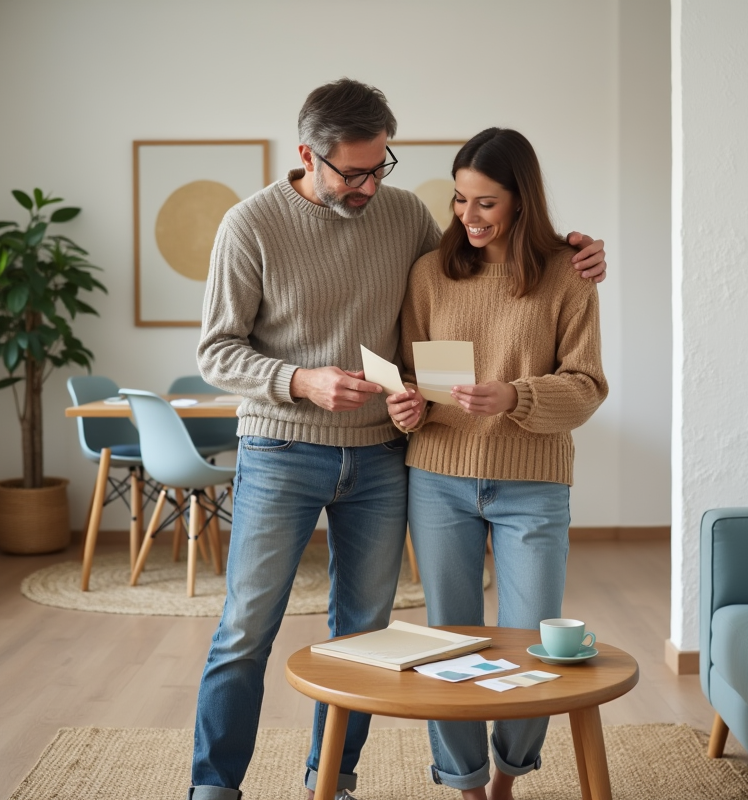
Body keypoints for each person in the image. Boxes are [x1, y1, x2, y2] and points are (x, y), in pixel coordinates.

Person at [193, 79, 607, 800]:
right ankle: (214, 787)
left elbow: (479, 256)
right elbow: (217, 352)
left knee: (364, 635)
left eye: (378, 167)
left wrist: (573, 246)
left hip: (384, 458)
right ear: (307, 155)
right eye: (351, 172)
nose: (366, 187)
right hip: (283, 450)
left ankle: (335, 779)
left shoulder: (404, 215)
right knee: (245, 629)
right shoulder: (249, 225)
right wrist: (302, 382)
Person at [386, 127, 608, 800]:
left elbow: (587, 385)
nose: (467, 217)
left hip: (533, 482)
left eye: (485, 203)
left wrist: (514, 394)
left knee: (533, 642)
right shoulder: (430, 273)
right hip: (438, 477)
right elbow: (411, 375)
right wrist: (407, 409)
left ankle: (509, 778)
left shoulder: (569, 275)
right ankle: (465, 784)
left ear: (521, 199)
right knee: (446, 640)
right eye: (459, 200)